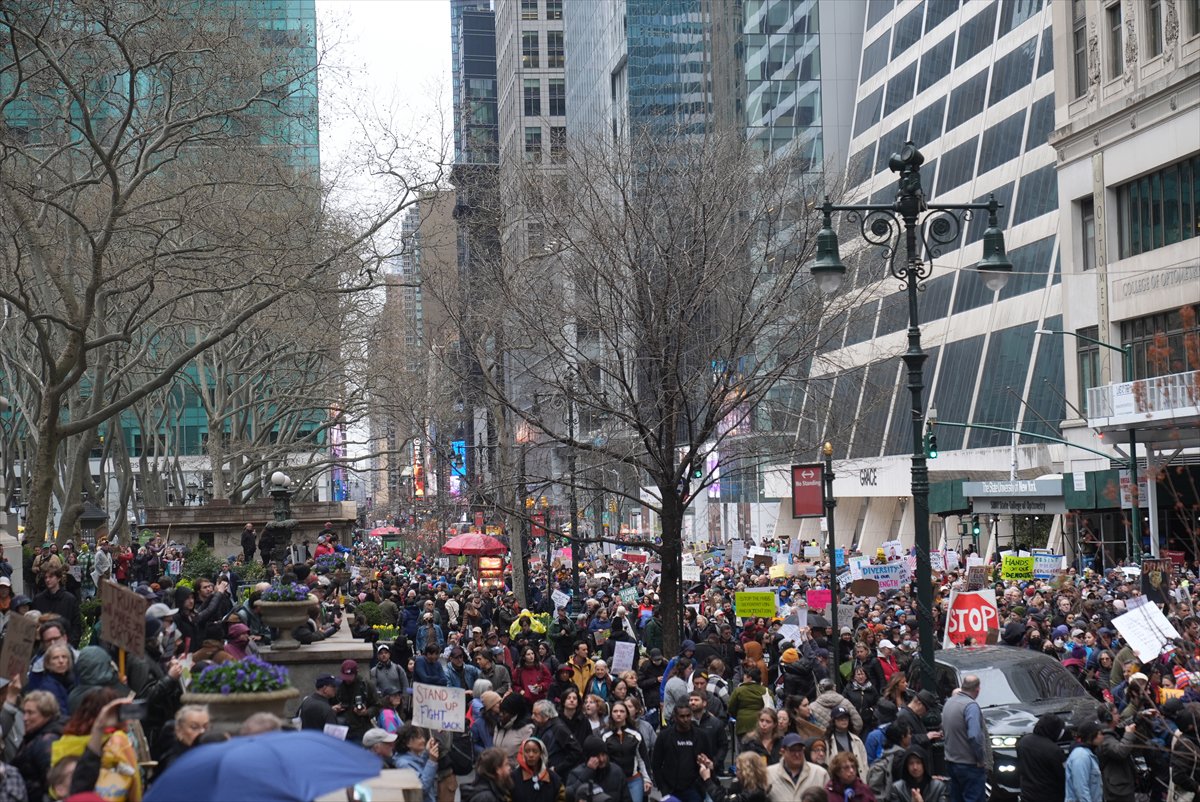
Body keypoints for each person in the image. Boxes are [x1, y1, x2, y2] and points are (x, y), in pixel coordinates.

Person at [940, 675, 987, 802]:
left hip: (951, 761)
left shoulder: (949, 703)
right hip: (969, 764)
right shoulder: (971, 706)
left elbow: (944, 729)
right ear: (977, 690)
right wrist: (980, 758)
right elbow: (974, 735)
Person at [651, 702, 709, 802]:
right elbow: (656, 763)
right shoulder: (664, 736)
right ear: (675, 717)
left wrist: (703, 784)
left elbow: (708, 760)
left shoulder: (701, 735)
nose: (685, 719)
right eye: (682, 716)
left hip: (694, 788)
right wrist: (662, 787)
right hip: (671, 788)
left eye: (688, 716)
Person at [13, 689, 62, 802]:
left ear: (47, 714)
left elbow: (50, 782)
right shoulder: (34, 736)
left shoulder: (46, 742)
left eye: (31, 713)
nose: (25, 718)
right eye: (24, 712)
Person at [602, 700, 651, 802]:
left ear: (626, 714)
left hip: (633, 780)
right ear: (611, 714)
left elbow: (642, 759)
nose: (618, 714)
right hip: (613, 781)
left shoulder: (635, 734)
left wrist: (647, 779)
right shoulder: (605, 735)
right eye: (615, 711)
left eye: (622, 711)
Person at [1096, 701, 1143, 802]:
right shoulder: (1105, 738)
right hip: (1118, 789)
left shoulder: (1111, 731)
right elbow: (1121, 751)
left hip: (1122, 785)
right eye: (1116, 713)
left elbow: (1122, 725)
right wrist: (1129, 734)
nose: (1119, 715)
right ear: (1109, 717)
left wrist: (1139, 716)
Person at [1016, 713, 1067, 802]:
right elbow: (1063, 775)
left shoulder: (1024, 742)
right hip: (1049, 796)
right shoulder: (1054, 750)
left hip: (1027, 794)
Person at [767, 732, 830, 802]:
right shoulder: (769, 773)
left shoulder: (820, 773)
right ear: (783, 751)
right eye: (792, 750)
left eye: (799, 750)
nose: (797, 754)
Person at [566, 736, 632, 802]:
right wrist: (588, 772)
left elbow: (626, 798)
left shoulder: (617, 772)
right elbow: (570, 796)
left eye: (603, 754)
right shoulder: (576, 774)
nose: (601, 759)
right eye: (597, 756)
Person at [533, 699, 584, 781]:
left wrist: (557, 768)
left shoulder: (559, 728)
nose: (532, 717)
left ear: (546, 716)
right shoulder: (539, 726)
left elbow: (576, 751)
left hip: (556, 776)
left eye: (536, 714)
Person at [336, 659, 381, 745]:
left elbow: (377, 706)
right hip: (341, 730)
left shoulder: (367, 685)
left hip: (360, 730)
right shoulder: (337, 685)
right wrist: (334, 708)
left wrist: (366, 712)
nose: (347, 680)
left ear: (356, 674)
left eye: (350, 677)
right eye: (345, 677)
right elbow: (327, 703)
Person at [394, 725, 441, 802]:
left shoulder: (412, 757)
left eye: (423, 737)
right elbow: (421, 789)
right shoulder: (403, 764)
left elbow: (420, 765)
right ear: (408, 743)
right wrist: (432, 761)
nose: (423, 740)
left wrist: (426, 753)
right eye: (419, 738)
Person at [701, 751, 770, 802]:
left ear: (747, 772)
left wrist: (707, 780)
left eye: (738, 770)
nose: (736, 773)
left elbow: (724, 800)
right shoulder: (740, 785)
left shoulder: (755, 792)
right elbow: (724, 793)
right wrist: (711, 771)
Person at [512, 737, 565, 802]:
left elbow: (561, 797)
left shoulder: (552, 778)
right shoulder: (513, 777)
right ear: (523, 753)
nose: (531, 755)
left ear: (541, 754)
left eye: (535, 751)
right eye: (527, 751)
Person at [1065, 721, 1104, 802]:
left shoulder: (1088, 754)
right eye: (1100, 734)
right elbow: (1081, 789)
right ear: (1092, 736)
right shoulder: (1081, 756)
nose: (1102, 737)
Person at [825, 706, 868, 779]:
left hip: (856, 780)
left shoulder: (857, 740)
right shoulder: (827, 741)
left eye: (846, 718)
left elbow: (864, 764)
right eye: (840, 718)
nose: (844, 720)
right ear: (834, 721)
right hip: (837, 781)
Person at [728, 665, 769, 738]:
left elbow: (731, 707)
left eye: (745, 676)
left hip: (742, 725)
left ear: (749, 678)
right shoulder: (766, 691)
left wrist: (738, 716)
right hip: (761, 725)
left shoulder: (738, 690)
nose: (743, 677)